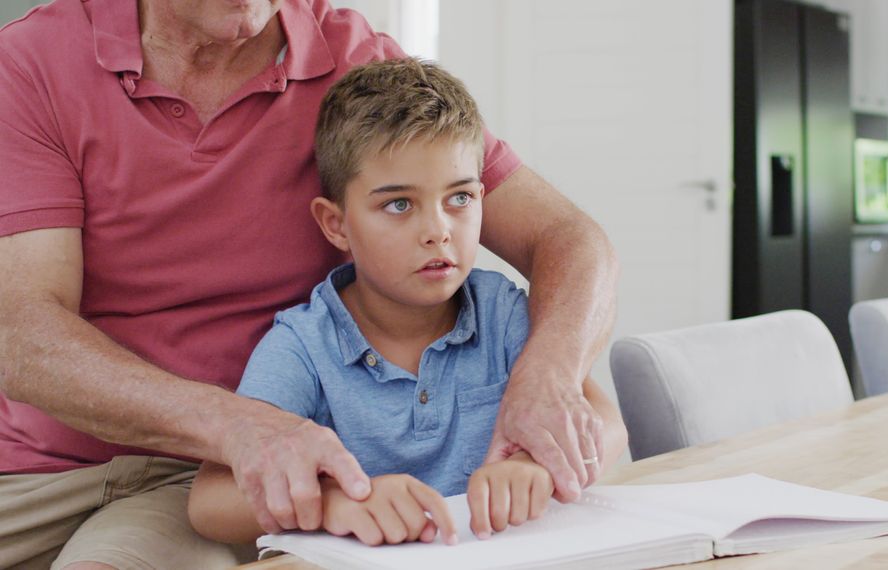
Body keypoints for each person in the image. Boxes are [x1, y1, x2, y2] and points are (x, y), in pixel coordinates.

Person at [0, 0, 617, 568]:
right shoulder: (33, 63)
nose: (435, 228)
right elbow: (20, 331)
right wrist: (237, 424)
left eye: (458, 200)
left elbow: (569, 238)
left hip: (206, 480)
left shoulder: (353, 63)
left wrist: (548, 381)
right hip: (30, 467)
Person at [188, 58, 628, 546]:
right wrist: (337, 501)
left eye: (459, 199)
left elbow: (607, 425)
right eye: (399, 205)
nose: (438, 230)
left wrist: (537, 469)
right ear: (336, 224)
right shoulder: (302, 346)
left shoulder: (503, 313)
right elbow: (210, 500)